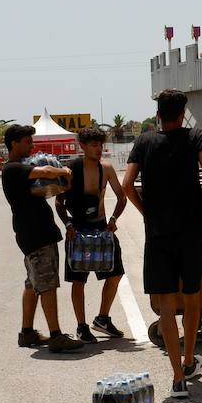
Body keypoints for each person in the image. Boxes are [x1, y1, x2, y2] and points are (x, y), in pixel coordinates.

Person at [123, 89, 202, 398]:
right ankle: (189, 360)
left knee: (165, 304)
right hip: (192, 231)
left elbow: (127, 185)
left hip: (159, 234)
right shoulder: (195, 137)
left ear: (158, 114)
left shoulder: (144, 141)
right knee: (192, 296)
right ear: (183, 113)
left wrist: (147, 212)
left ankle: (178, 379)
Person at [1, 123, 83, 353]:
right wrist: (64, 170)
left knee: (32, 283)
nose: (31, 146)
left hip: (34, 233)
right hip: (35, 234)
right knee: (47, 284)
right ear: (14, 143)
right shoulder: (13, 169)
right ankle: (56, 336)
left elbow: (45, 187)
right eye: (27, 141)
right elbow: (45, 172)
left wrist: (63, 184)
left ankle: (26, 333)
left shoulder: (20, 169)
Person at [54, 126, 129, 343]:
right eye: (94, 145)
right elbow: (59, 202)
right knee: (78, 279)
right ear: (83, 146)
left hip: (101, 228)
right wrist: (68, 224)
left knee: (116, 273)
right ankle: (81, 326)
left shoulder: (106, 168)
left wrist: (113, 220)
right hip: (77, 230)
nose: (99, 149)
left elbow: (122, 197)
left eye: (101, 145)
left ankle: (102, 318)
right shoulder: (70, 170)